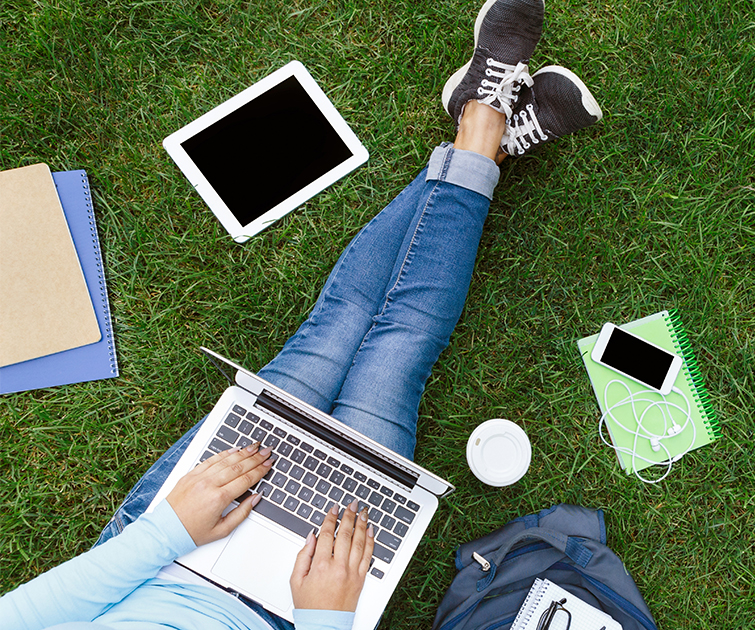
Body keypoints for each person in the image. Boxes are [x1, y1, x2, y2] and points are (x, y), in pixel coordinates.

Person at [0, 0, 601, 628]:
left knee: (340, 324)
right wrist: (324, 619)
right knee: (400, 350)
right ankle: (485, 130)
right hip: (293, 612)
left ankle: (481, 125)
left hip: (160, 559)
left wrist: (163, 535)